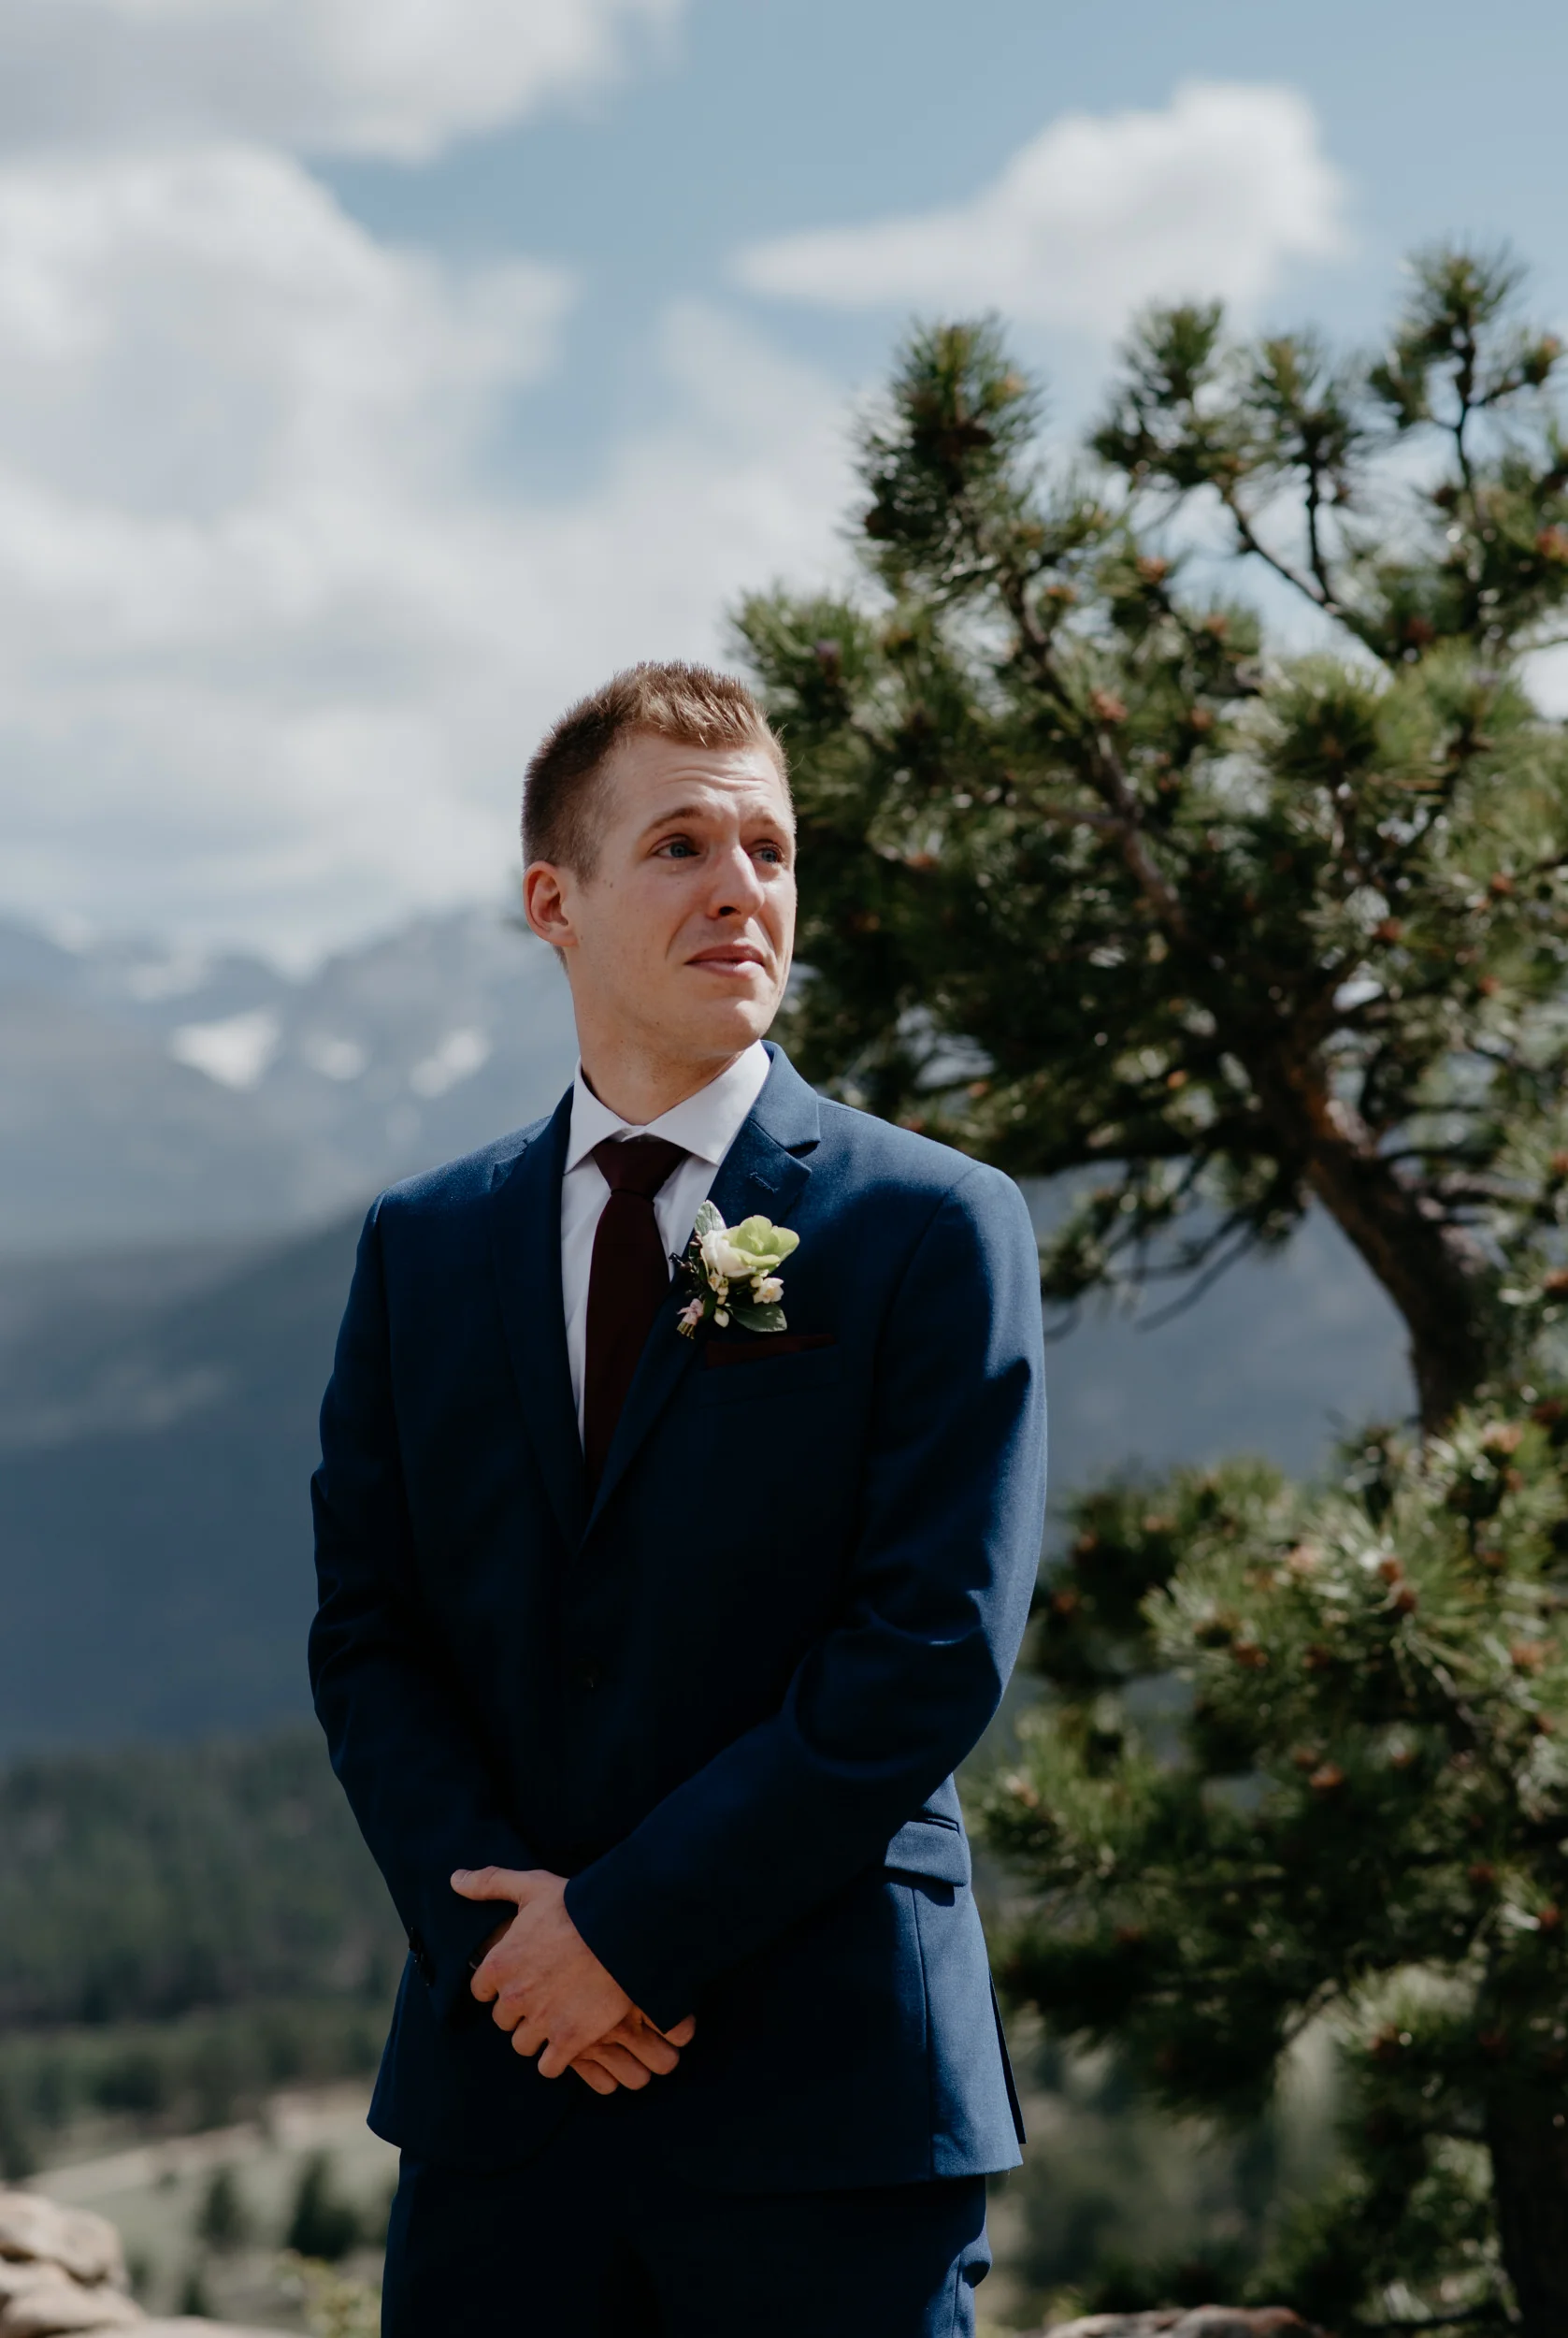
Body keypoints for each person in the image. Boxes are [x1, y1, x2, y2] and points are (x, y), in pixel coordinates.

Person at [309, 661, 1047, 2335]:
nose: (743, 891)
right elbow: (370, 1633)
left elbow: (927, 1649)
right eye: (683, 847)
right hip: (503, 2105)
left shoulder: (932, 1226)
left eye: (773, 851)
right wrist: (514, 1958)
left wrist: (628, 1936)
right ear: (550, 901)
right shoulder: (421, 1248)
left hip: (825, 2103)